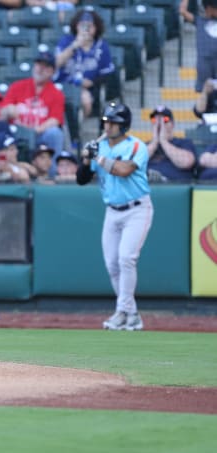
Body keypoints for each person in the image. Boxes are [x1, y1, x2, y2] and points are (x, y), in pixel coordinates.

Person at [76, 101, 153, 331]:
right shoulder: (102, 147)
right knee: (112, 264)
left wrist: (98, 157)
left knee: (126, 258)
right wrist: (86, 158)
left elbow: (124, 170)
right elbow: (81, 179)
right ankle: (131, 313)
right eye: (106, 122)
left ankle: (122, 311)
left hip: (137, 209)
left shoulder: (137, 145)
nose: (108, 127)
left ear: (124, 125)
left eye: (113, 123)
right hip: (112, 211)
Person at [0, 51, 66, 168]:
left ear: (52, 71)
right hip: (16, 132)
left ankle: (52, 175)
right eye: (39, 65)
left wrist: (36, 130)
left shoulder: (56, 93)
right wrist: (9, 110)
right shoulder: (17, 86)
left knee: (55, 133)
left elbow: (55, 120)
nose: (41, 69)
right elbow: (3, 111)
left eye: (46, 67)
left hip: (39, 134)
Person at [54, 9, 115, 118]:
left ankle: (78, 127)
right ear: (76, 26)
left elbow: (107, 74)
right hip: (62, 84)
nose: (86, 29)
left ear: (96, 28)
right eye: (82, 25)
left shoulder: (101, 46)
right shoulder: (66, 41)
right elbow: (56, 64)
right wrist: (74, 45)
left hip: (87, 88)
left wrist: (92, 83)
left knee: (85, 99)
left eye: (90, 26)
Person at [145, 105, 197, 182]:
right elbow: (134, 163)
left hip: (174, 186)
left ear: (172, 124)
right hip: (147, 186)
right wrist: (155, 142)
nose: (159, 124)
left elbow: (187, 162)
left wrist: (163, 141)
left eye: (165, 120)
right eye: (154, 120)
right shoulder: (145, 146)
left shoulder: (184, 143)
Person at [180, 0, 217, 92]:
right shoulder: (200, 21)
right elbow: (182, 11)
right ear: (209, 9)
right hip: (204, 63)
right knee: (204, 91)